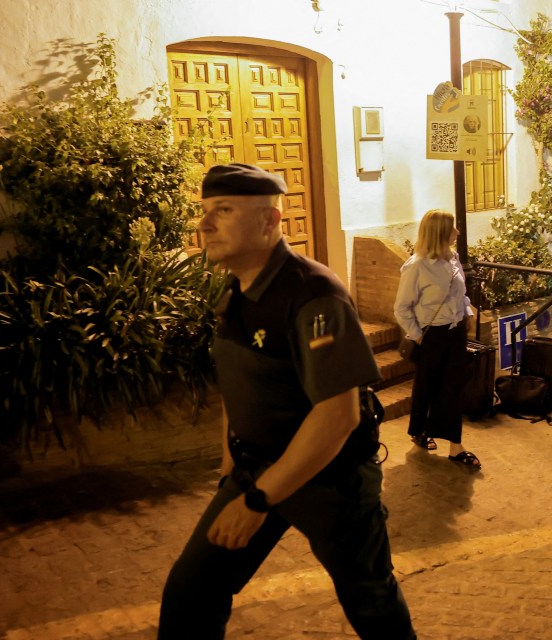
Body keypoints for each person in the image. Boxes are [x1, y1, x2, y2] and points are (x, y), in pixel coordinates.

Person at [158, 163, 415, 639]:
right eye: (204, 211)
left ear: (269, 222)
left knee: (370, 599)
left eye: (224, 210)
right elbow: (239, 379)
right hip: (256, 470)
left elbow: (338, 416)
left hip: (329, 480)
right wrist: (229, 461)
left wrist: (256, 500)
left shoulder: (312, 294)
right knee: (191, 594)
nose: (204, 225)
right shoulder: (235, 289)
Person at [393, 209, 481, 469]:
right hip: (431, 335)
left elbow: (458, 294)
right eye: (453, 228)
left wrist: (467, 312)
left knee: (451, 388)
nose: (458, 232)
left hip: (455, 332)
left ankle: (455, 446)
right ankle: (420, 431)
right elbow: (401, 308)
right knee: (426, 386)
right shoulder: (417, 266)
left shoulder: (452, 258)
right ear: (441, 233)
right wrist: (420, 337)